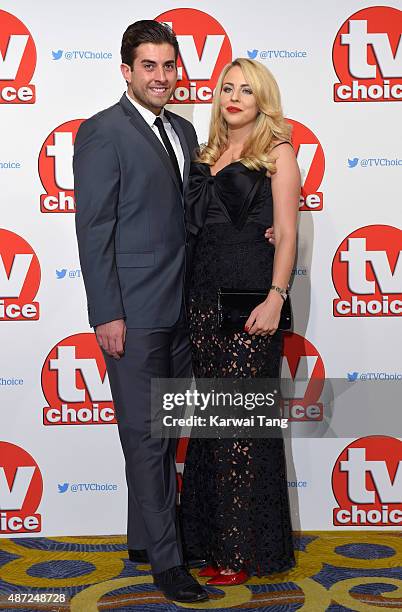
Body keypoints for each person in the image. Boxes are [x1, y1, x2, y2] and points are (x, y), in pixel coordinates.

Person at [73, 20, 208, 604]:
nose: (161, 76)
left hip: (181, 306)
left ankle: (143, 537)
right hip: (133, 308)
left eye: (169, 65)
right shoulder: (102, 132)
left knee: (169, 428)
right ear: (126, 71)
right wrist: (107, 312)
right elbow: (94, 228)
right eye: (149, 66)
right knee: (145, 437)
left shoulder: (181, 128)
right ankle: (168, 565)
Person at [180, 58, 300, 585]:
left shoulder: (278, 154)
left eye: (245, 90)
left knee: (241, 427)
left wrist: (276, 296)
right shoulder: (206, 155)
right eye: (227, 88)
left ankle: (242, 550)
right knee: (212, 425)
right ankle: (210, 539)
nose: (233, 97)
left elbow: (289, 235)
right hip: (202, 299)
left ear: (262, 100)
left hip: (250, 299)